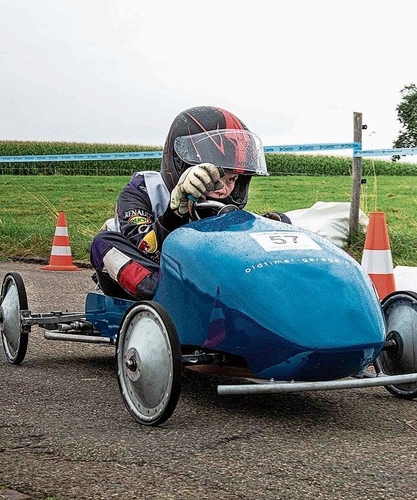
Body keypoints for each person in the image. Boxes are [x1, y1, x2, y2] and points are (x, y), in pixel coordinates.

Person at [90, 105, 290, 300]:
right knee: (102, 242)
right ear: (183, 165)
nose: (224, 189)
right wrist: (174, 214)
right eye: (216, 178)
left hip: (194, 276)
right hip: (142, 274)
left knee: (278, 221)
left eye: (232, 180)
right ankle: (166, 295)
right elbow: (144, 247)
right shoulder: (142, 189)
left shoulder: (223, 202)